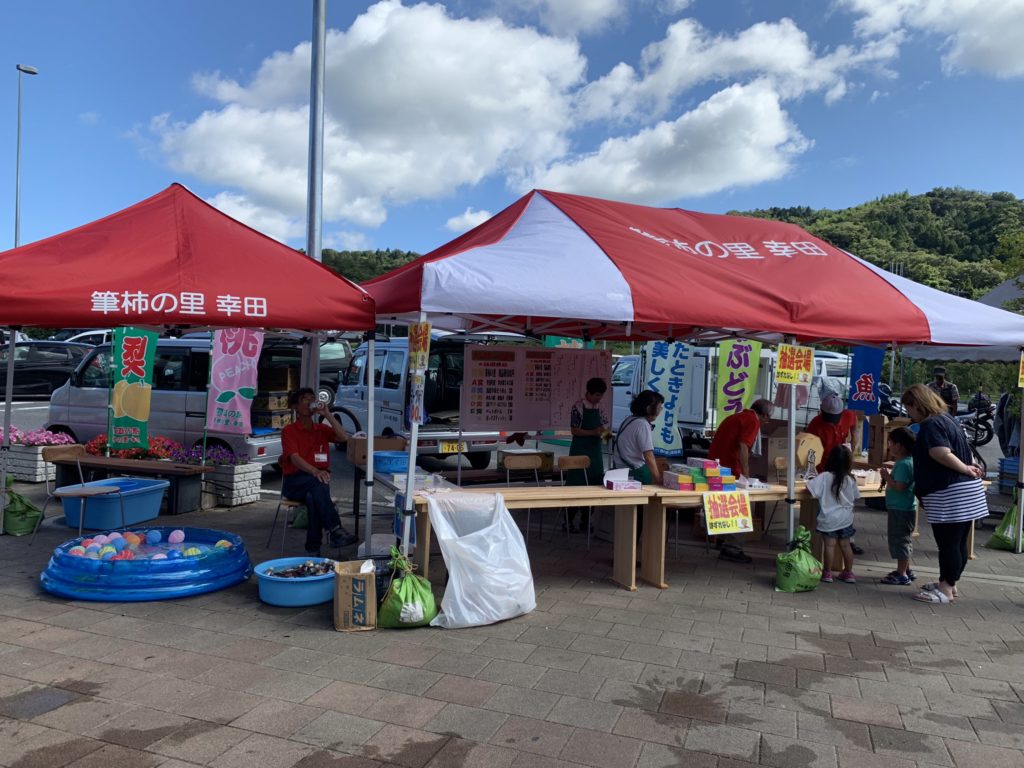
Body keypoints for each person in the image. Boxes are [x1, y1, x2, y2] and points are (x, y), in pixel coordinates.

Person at [900, 383, 987, 604]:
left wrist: (965, 468)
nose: (908, 413)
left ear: (918, 405)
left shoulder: (931, 425)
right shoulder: (949, 419)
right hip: (966, 491)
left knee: (948, 542)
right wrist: (970, 467)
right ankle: (949, 583)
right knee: (958, 542)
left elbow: (940, 452)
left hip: (949, 492)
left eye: (909, 407)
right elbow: (964, 451)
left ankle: (946, 589)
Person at [281, 388, 358, 555]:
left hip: (318, 482)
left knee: (313, 496)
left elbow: (344, 438)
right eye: (304, 399)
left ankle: (314, 548)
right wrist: (314, 471)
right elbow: (294, 458)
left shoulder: (320, 429)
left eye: (312, 398)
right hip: (295, 481)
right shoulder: (289, 431)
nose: (310, 402)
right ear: (295, 407)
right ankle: (335, 529)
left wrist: (328, 414)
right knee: (317, 485)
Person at [807, 445, 860, 583]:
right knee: (846, 545)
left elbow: (811, 487)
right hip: (846, 518)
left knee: (829, 546)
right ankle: (848, 572)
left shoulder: (825, 477)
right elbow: (856, 496)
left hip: (829, 518)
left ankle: (827, 573)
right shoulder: (851, 479)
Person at [567, 377, 609, 532]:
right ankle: (568, 521)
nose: (598, 398)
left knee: (594, 485)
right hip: (579, 449)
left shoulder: (601, 407)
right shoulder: (578, 406)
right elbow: (574, 430)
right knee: (575, 486)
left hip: (595, 452)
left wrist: (608, 437)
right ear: (589, 393)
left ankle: (587, 521)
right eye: (596, 395)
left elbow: (604, 428)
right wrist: (593, 432)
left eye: (601, 395)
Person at [879, 427, 917, 586]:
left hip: (900, 508)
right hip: (906, 507)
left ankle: (902, 573)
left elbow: (900, 486)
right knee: (904, 539)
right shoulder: (909, 461)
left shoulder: (903, 464)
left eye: (891, 442)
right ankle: (906, 569)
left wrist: (887, 477)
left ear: (900, 445)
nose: (889, 446)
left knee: (899, 540)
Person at [707, 399, 774, 480]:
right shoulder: (753, 420)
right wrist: (746, 474)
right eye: (767, 420)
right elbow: (743, 446)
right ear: (765, 415)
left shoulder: (739, 416)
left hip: (714, 464)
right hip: (728, 467)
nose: (765, 423)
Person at [614, 390, 664, 485]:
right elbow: (649, 456)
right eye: (659, 407)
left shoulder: (628, 420)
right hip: (636, 473)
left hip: (621, 471)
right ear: (649, 409)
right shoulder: (642, 424)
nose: (660, 411)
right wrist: (658, 479)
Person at [806, 393, 858, 473]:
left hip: (842, 464)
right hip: (822, 467)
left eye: (834, 417)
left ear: (841, 412)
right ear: (821, 410)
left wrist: (854, 438)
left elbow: (855, 421)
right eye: (828, 416)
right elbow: (809, 451)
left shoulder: (848, 415)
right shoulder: (815, 425)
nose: (831, 421)